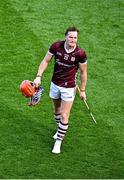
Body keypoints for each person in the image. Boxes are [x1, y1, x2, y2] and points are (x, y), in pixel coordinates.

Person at [33, 27, 87, 154]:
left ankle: (58, 142)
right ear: (65, 37)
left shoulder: (80, 53)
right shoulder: (56, 46)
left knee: (64, 114)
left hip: (69, 87)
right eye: (70, 37)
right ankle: (60, 129)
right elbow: (46, 60)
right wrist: (38, 76)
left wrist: (83, 90)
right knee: (57, 111)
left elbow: (84, 72)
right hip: (55, 84)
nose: (72, 40)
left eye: (75, 37)